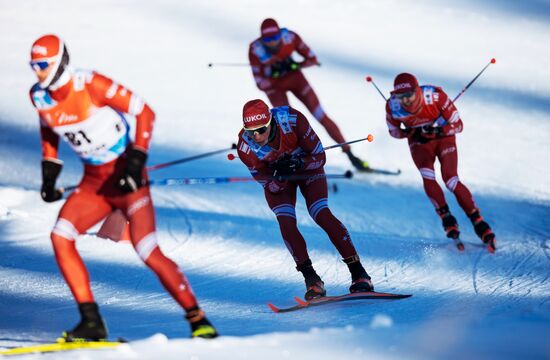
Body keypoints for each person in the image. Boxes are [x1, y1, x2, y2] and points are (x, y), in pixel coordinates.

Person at [29, 34, 218, 340]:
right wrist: (49, 171)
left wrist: (136, 160)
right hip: (94, 182)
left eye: (42, 65)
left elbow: (145, 112)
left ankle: (199, 320)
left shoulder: (91, 85)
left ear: (59, 62)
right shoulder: (39, 96)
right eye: (33, 66)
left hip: (126, 178)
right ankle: (91, 321)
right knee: (60, 235)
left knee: (147, 249)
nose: (37, 72)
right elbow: (47, 127)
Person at [237, 99, 374, 300]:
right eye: (251, 132)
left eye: (261, 130)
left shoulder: (292, 120)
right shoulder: (245, 146)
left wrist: (299, 162)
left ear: (271, 122)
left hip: (308, 170)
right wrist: (279, 177)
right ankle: (311, 279)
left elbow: (320, 157)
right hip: (281, 179)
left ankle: (359, 273)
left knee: (321, 214)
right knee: (286, 221)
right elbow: (269, 185)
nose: (256, 136)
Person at [385, 73, 496, 253]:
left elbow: (459, 125)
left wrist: (438, 130)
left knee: (451, 180)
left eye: (408, 95)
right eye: (400, 96)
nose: (405, 100)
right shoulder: (392, 106)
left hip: (444, 139)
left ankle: (477, 220)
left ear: (417, 91)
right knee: (428, 176)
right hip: (420, 143)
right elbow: (394, 132)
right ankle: (446, 217)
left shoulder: (435, 96)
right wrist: (409, 132)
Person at [248, 18, 370, 172]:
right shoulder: (255, 49)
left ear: (280, 34)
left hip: (296, 80)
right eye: (267, 40)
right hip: (275, 87)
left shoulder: (290, 38)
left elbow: (312, 59)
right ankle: (294, 161)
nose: (272, 43)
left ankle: (351, 155)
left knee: (321, 116)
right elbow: (260, 83)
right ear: (261, 39)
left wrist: (295, 64)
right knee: (286, 125)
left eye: (275, 38)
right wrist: (272, 72)